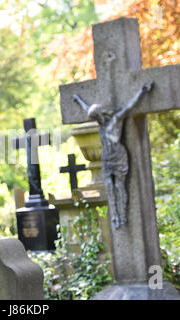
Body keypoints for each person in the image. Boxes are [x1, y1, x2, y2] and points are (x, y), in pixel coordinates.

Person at [72, 81, 153, 229]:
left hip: (119, 157)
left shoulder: (115, 120)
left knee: (118, 185)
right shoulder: (101, 125)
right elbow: (86, 110)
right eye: (95, 118)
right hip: (107, 159)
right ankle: (115, 216)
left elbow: (129, 107)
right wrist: (78, 100)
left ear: (100, 113)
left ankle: (123, 215)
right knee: (109, 186)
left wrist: (142, 92)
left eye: (96, 116)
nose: (96, 119)